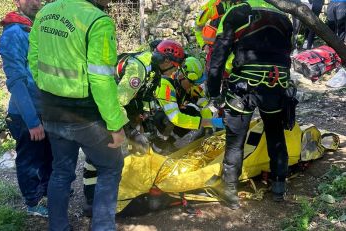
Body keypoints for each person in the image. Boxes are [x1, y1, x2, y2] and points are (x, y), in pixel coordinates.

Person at [28, 0, 129, 230]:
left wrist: (50, 93)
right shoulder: (97, 20)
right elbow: (102, 79)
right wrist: (115, 125)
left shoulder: (44, 13)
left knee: (61, 171)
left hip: (51, 111)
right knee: (111, 167)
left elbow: (33, 61)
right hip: (86, 116)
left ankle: (58, 227)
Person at [83, 39, 186, 217]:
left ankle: (131, 186)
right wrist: (130, 131)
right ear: (167, 61)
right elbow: (117, 103)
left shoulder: (155, 68)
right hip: (104, 107)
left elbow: (145, 95)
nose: (176, 71)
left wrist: (146, 118)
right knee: (100, 153)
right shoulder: (139, 69)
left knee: (135, 148)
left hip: (122, 107)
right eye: (175, 66)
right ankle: (91, 200)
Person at [207, 0, 295, 209]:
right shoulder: (285, 16)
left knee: (235, 141)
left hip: (244, 86)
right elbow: (286, 54)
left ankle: (230, 192)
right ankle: (278, 187)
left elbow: (218, 55)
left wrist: (213, 92)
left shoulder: (237, 11)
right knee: (275, 133)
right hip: (277, 85)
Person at [0, 0, 52, 217]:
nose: (35, 1)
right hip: (25, 113)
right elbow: (17, 81)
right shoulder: (13, 33)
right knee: (29, 161)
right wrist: (32, 121)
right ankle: (33, 203)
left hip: (45, 108)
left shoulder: (36, 28)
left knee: (48, 156)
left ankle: (49, 194)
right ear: (17, 2)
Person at [153, 56, 223, 153]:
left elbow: (203, 103)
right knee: (164, 119)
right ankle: (158, 146)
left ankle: (172, 140)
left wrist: (208, 128)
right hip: (154, 117)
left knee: (193, 112)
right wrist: (210, 122)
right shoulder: (165, 85)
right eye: (192, 82)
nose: (194, 85)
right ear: (182, 76)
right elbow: (176, 118)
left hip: (171, 114)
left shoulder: (187, 84)